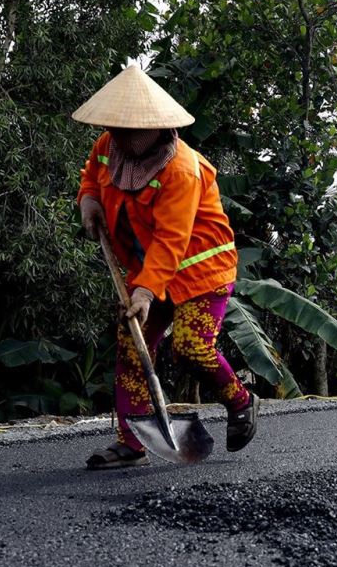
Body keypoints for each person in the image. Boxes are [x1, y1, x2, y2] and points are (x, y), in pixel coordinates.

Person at [73, 64, 256, 469]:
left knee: (190, 347)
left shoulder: (182, 171)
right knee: (131, 344)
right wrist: (88, 199)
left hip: (198, 271)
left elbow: (172, 240)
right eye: (116, 129)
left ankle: (240, 401)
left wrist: (142, 291)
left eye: (129, 132)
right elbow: (92, 175)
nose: (119, 138)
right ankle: (131, 441)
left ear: (156, 128)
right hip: (148, 271)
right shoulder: (108, 145)